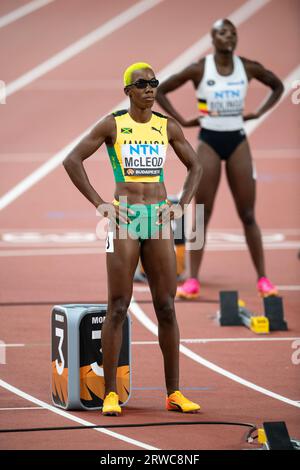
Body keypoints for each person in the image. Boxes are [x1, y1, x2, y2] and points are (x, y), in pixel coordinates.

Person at [63, 62, 202, 416]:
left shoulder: (166, 126)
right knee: (118, 305)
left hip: (157, 220)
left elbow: (196, 166)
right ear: (128, 91)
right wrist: (99, 204)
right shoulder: (113, 124)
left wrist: (181, 206)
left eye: (154, 83)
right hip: (125, 220)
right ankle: (111, 393)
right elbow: (72, 159)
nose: (150, 89)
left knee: (167, 307)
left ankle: (174, 393)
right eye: (142, 84)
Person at [156, 19, 284, 299]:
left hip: (237, 140)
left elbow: (277, 86)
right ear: (212, 39)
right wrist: (181, 119)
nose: (230, 36)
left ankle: (263, 279)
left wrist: (259, 112)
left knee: (248, 214)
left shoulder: (246, 67)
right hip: (209, 142)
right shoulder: (200, 69)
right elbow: (160, 90)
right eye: (223, 33)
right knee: (202, 214)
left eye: (233, 32)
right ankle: (192, 280)